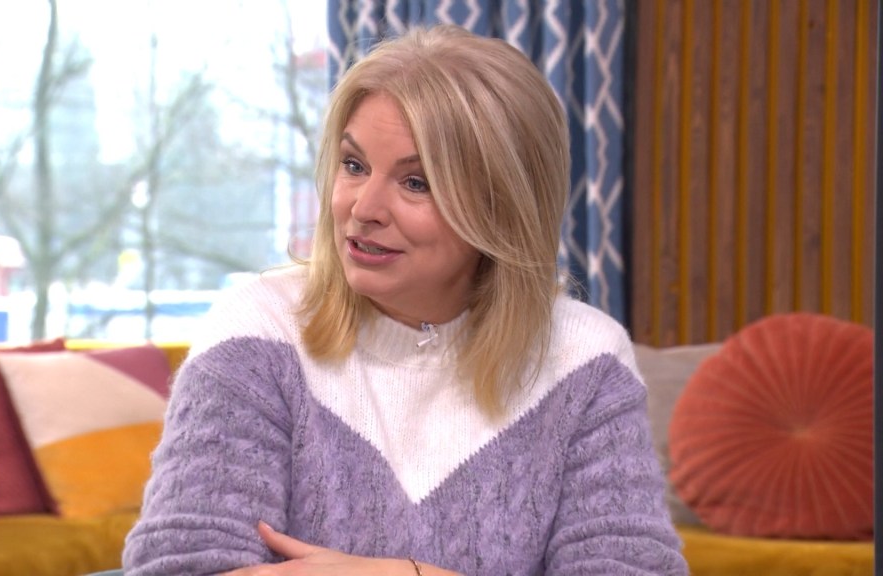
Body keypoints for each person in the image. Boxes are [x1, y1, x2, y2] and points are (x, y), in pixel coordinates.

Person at [122, 24, 687, 576]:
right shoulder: (257, 333)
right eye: (354, 165)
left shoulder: (585, 360)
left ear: (503, 208)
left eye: (416, 183)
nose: (363, 207)